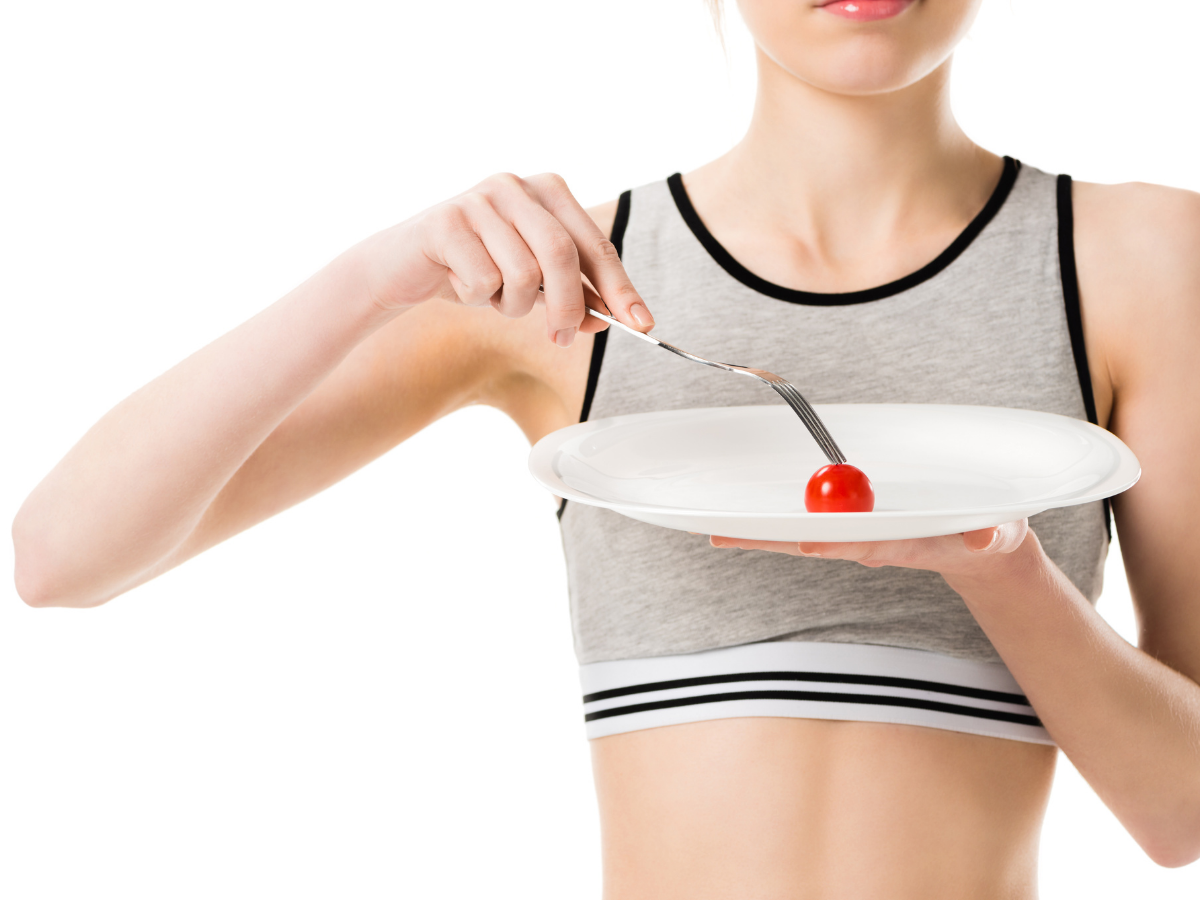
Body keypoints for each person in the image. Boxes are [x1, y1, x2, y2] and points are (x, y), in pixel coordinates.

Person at [12, 0, 1200, 895]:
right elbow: (63, 558)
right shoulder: (564, 277)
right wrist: (373, 278)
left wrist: (1004, 570)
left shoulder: (1141, 259)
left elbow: (1181, 810)